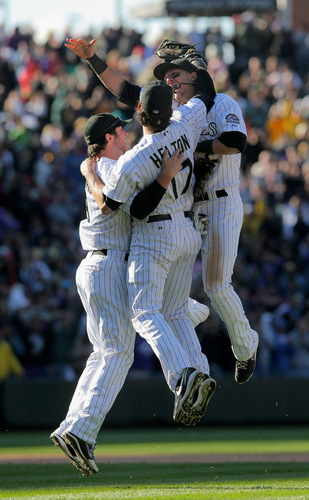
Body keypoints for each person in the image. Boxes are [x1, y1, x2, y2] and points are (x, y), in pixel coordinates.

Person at [64, 37, 258, 384]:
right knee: (172, 298)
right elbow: (124, 89)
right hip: (188, 210)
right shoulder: (178, 117)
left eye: (176, 74)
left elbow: (236, 141)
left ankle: (244, 348)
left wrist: (187, 147)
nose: (170, 81)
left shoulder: (206, 108)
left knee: (214, 286)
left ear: (194, 77)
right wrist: (93, 59)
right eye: (166, 78)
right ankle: (194, 356)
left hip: (221, 202)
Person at [50, 111, 214, 477]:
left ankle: (75, 427)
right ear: (108, 138)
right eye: (119, 129)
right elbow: (110, 199)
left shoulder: (107, 163)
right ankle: (81, 430)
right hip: (108, 264)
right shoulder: (106, 166)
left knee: (108, 351)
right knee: (118, 352)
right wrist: (92, 173)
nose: (125, 132)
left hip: (104, 265)